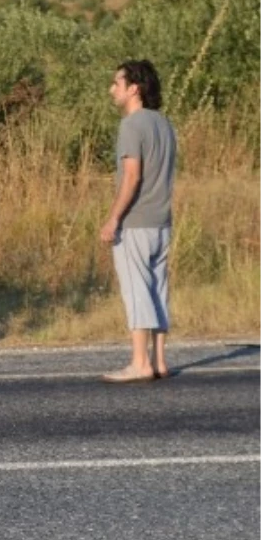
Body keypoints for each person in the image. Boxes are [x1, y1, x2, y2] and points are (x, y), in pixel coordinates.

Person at [99, 59, 177, 383]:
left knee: (136, 290)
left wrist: (113, 218)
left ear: (134, 88)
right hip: (162, 221)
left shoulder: (131, 125)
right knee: (158, 289)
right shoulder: (165, 124)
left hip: (136, 222)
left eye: (117, 83)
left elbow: (131, 177)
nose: (111, 89)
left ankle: (139, 362)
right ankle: (159, 361)